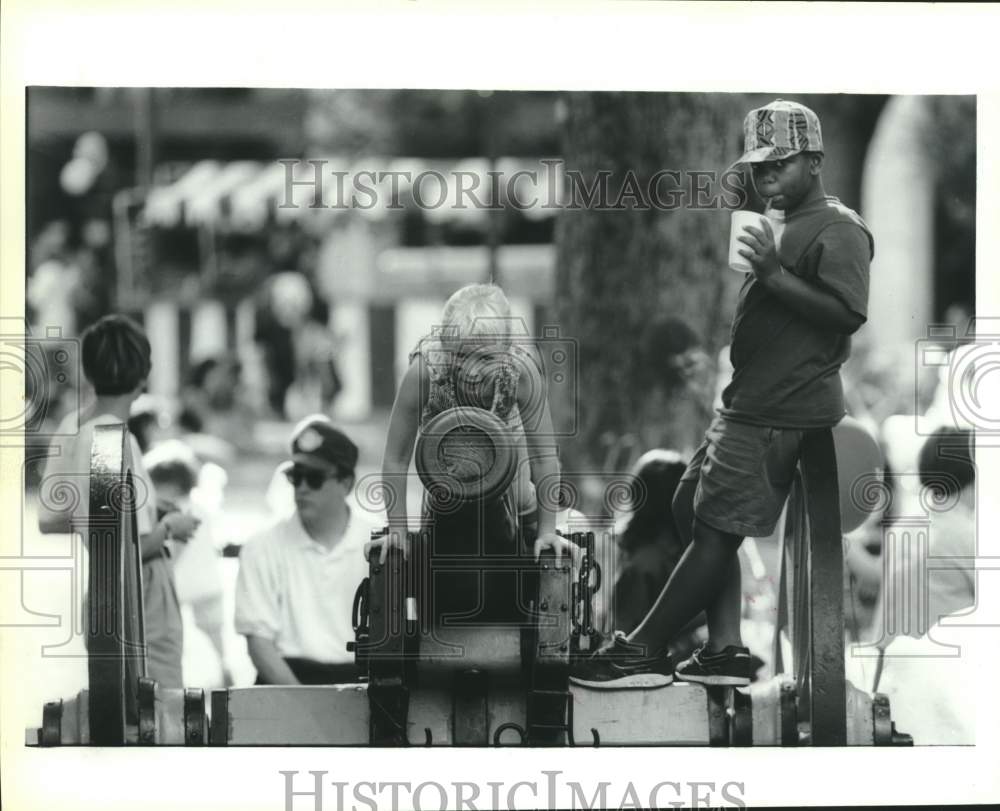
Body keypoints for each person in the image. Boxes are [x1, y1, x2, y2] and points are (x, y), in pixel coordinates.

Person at [572, 99, 873, 688]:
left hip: (778, 408)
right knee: (689, 506)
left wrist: (773, 276)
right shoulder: (780, 220)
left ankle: (639, 648)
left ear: (814, 162)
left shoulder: (839, 228)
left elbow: (847, 315)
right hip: (746, 402)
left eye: (779, 165)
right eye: (758, 169)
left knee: (713, 530)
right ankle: (727, 647)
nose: (766, 178)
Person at [37, 314, 199, 688]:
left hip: (102, 590)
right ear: (144, 376)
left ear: (89, 372)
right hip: (142, 593)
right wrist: (171, 526)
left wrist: (107, 521)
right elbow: (135, 547)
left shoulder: (73, 427)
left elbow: (50, 519)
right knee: (160, 707)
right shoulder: (117, 440)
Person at [367, 284, 578, 569]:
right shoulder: (424, 372)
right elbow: (396, 457)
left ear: (506, 350)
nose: (474, 371)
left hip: (504, 449)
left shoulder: (521, 374)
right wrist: (398, 530)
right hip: (445, 462)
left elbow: (543, 456)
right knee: (441, 505)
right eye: (462, 357)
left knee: (519, 495)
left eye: (487, 358)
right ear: (445, 346)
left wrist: (546, 530)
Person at [234, 417, 374, 684]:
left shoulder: (377, 543)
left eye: (314, 478)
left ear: (346, 483)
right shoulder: (262, 547)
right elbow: (259, 643)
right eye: (295, 476)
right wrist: (302, 707)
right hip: (286, 682)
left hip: (361, 683)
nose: (301, 488)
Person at [144, 440, 232, 687]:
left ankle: (180, 676)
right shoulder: (201, 505)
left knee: (172, 632)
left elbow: (176, 550)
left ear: (172, 485)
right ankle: (224, 666)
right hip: (207, 578)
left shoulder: (173, 512)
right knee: (214, 632)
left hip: (182, 580)